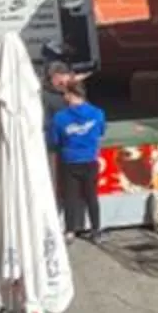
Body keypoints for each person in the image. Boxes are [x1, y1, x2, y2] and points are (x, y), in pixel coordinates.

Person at [47, 78, 108, 240]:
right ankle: (96, 230)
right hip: (90, 160)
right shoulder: (98, 113)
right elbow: (101, 134)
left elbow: (54, 140)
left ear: (70, 94)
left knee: (70, 198)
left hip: (69, 161)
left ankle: (70, 231)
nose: (63, 97)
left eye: (65, 93)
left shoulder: (60, 118)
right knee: (91, 196)